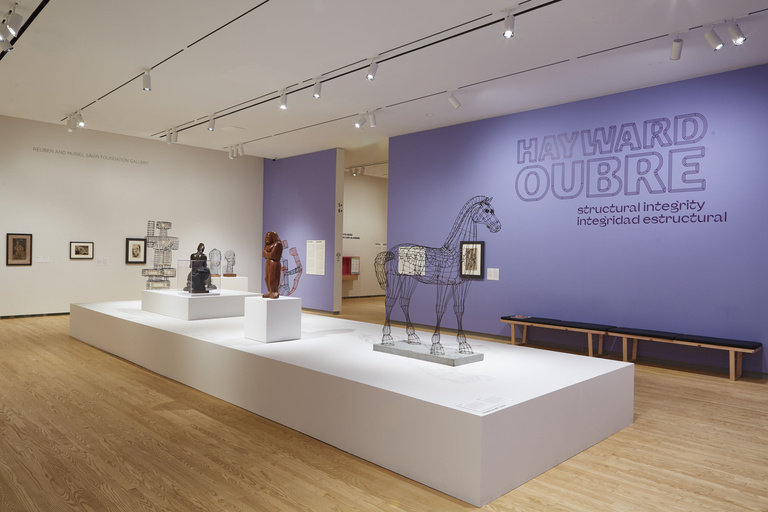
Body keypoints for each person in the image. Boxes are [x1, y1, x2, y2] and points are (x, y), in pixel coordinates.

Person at [262, 231, 283, 299]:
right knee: (266, 278)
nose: (267, 239)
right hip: (268, 263)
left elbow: (273, 255)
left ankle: (274, 291)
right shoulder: (267, 245)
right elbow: (263, 254)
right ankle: (269, 291)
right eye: (266, 237)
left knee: (273, 278)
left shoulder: (278, 244)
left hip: (274, 264)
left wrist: (267, 254)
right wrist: (268, 255)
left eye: (269, 237)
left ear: (273, 237)